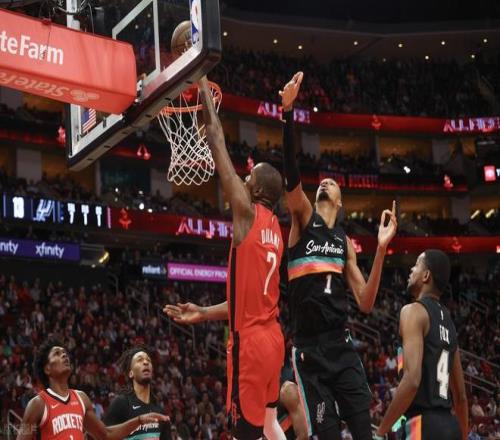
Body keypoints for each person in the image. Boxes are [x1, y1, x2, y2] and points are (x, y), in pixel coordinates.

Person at [164, 76, 286, 440]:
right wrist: (204, 313)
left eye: (248, 177)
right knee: (269, 424)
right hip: (274, 338)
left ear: (257, 189)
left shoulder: (247, 213)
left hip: (251, 346)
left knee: (244, 433)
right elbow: (245, 304)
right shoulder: (276, 229)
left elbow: (216, 142)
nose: (243, 179)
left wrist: (201, 82)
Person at [279, 71, 398, 440]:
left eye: (331, 182)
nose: (325, 182)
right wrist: (287, 115)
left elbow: (365, 302)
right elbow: (291, 179)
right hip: (309, 351)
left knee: (363, 431)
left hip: (340, 345)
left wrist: (381, 249)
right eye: (322, 182)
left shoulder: (345, 242)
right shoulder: (303, 219)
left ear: (341, 202)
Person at [376, 249, 468, 440]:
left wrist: (381, 431)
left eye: (417, 264)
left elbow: (412, 380)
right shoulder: (449, 323)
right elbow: (460, 397)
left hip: (422, 425)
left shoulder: (412, 311)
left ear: (426, 276)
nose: (411, 269)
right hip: (450, 426)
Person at [17, 341, 167, 439]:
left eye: (65, 353)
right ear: (47, 369)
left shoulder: (81, 399)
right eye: (57, 353)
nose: (64, 355)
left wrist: (139, 420)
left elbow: (105, 434)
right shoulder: (37, 404)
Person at [103, 346, 171, 439]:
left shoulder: (159, 411)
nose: (146, 362)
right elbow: (103, 436)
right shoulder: (121, 403)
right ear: (131, 373)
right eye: (139, 360)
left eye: (148, 360)